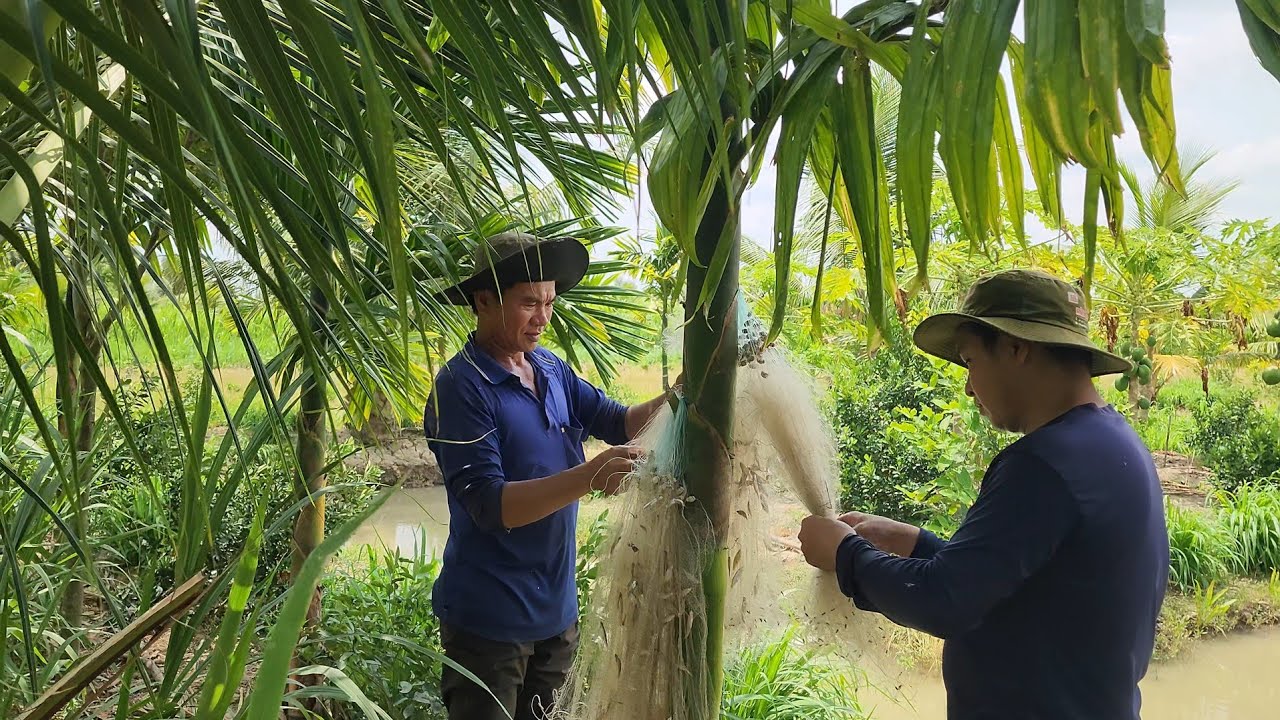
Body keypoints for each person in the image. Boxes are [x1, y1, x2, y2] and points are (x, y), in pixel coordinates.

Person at [798, 269, 1170, 719]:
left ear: (1016, 349)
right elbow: (1015, 586)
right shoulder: (1113, 444)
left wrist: (844, 554)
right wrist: (914, 543)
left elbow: (944, 602)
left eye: (971, 361)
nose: (970, 387)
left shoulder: (1044, 464)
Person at [423, 231, 674, 720]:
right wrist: (588, 476)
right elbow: (491, 506)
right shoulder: (461, 387)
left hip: (556, 617)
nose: (543, 318)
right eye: (528, 303)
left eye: (550, 302)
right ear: (483, 301)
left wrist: (682, 394)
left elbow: (619, 422)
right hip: (489, 624)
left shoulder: (550, 368)